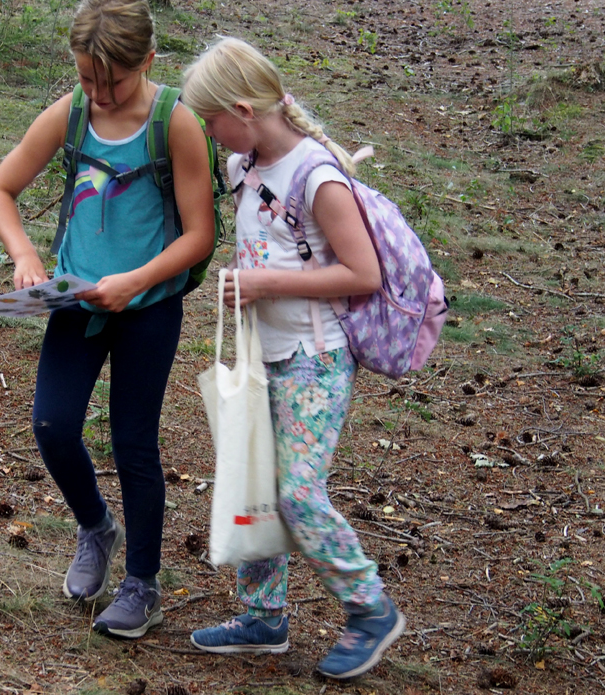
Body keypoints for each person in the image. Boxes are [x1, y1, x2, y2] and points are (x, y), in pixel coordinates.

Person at [0, 0, 214, 639]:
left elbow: (200, 235)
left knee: (134, 443)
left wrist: (137, 281)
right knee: (53, 426)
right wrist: (25, 255)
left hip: (148, 309)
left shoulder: (178, 123)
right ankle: (95, 528)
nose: (101, 93)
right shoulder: (72, 113)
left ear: (148, 61)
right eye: (88, 78)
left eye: (114, 80)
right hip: (75, 303)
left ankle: (142, 583)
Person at [180, 37, 405, 679]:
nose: (209, 132)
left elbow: (361, 273)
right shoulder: (243, 168)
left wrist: (264, 284)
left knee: (300, 492)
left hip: (316, 357)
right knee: (258, 479)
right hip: (265, 353)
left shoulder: (318, 177)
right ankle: (262, 616)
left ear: (244, 110)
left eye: (212, 120)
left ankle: (370, 608)